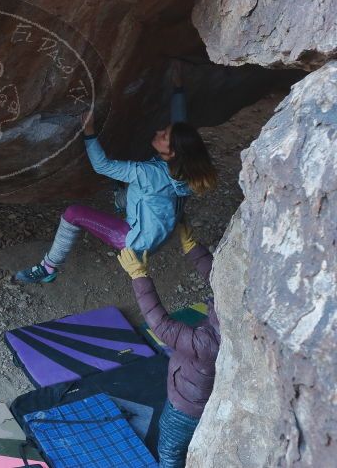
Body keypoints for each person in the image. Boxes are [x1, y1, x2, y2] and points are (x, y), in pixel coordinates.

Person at [13, 62, 216, 283]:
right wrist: (178, 89)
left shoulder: (148, 174)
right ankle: (122, 200)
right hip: (159, 232)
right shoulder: (185, 166)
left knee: (73, 213)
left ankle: (48, 269)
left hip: (136, 243)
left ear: (172, 152)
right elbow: (180, 124)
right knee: (123, 184)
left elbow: (102, 166)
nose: (159, 132)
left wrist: (89, 133)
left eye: (164, 136)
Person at [117, 223, 220, 467]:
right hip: (207, 402)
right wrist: (193, 249)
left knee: (170, 450)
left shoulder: (207, 343)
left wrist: (139, 277)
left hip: (186, 408)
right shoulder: (237, 326)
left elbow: (161, 324)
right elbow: (222, 281)